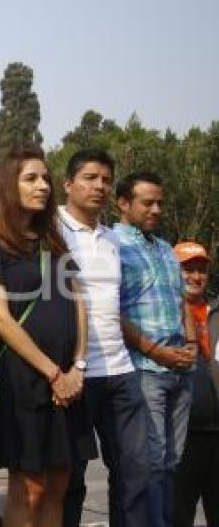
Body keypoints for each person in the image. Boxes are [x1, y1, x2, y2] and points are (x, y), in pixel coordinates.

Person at [0, 145, 96, 527]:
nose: (43, 185)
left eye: (44, 177)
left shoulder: (52, 240)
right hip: (25, 381)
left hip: (68, 381)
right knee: (30, 488)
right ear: (8, 185)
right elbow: (1, 317)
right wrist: (53, 374)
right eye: (31, 178)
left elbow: (78, 302)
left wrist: (76, 365)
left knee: (59, 483)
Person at [59, 149, 149, 527]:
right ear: (68, 184)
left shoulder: (113, 240)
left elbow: (120, 306)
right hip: (75, 374)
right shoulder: (51, 232)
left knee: (135, 472)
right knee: (71, 481)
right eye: (90, 177)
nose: (100, 186)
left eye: (106, 180)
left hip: (121, 372)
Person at [114, 172, 196, 527]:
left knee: (173, 461)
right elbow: (108, 310)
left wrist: (191, 345)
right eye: (148, 202)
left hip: (181, 370)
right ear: (123, 204)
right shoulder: (112, 244)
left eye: (160, 202)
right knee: (151, 462)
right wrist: (154, 350)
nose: (156, 209)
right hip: (145, 368)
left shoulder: (165, 248)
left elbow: (182, 304)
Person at [172, 241, 218, 527]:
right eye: (187, 269)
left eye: (201, 270)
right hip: (181, 435)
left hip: (218, 433)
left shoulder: (217, 311)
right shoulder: (163, 314)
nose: (195, 277)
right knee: (178, 514)